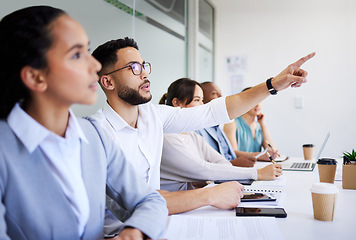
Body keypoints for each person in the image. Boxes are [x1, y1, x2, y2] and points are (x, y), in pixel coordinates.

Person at [91, 37, 313, 216]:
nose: (145, 73)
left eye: (144, 65)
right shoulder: (99, 135)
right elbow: (138, 203)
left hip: (159, 222)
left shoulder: (153, 116)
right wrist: (212, 195)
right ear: (108, 82)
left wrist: (272, 85)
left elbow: (213, 112)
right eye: (134, 68)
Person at [0, 6, 167, 240]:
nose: (96, 66)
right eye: (77, 55)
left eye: (87, 51)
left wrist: (133, 233)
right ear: (36, 76)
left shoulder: (93, 135)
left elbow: (150, 200)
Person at [159, 78, 282, 191]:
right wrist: (257, 174)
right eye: (197, 100)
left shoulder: (192, 135)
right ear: (177, 103)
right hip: (177, 206)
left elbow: (222, 163)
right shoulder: (167, 137)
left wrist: (205, 178)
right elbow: (203, 170)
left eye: (202, 100)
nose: (202, 106)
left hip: (195, 197)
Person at [196, 81, 256, 167]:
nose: (221, 97)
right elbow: (204, 166)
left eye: (220, 93)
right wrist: (234, 164)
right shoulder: (198, 130)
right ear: (203, 99)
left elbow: (229, 156)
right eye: (214, 94)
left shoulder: (216, 126)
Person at [224, 87, 280, 161]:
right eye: (254, 100)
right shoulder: (232, 123)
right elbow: (232, 152)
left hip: (257, 167)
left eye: (259, 100)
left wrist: (263, 125)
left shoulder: (259, 125)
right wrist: (258, 156)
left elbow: (272, 151)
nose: (257, 105)